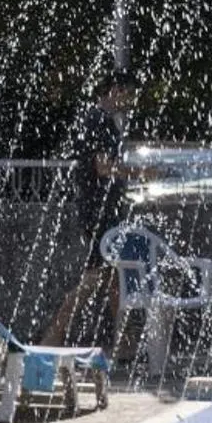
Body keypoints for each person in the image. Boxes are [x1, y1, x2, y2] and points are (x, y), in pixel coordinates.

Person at [47, 68, 137, 345]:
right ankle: (52, 336)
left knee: (112, 278)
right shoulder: (97, 120)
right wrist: (140, 173)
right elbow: (102, 167)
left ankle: (125, 344)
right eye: (129, 94)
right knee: (93, 280)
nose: (130, 101)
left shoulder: (103, 120)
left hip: (103, 210)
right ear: (115, 90)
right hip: (99, 213)